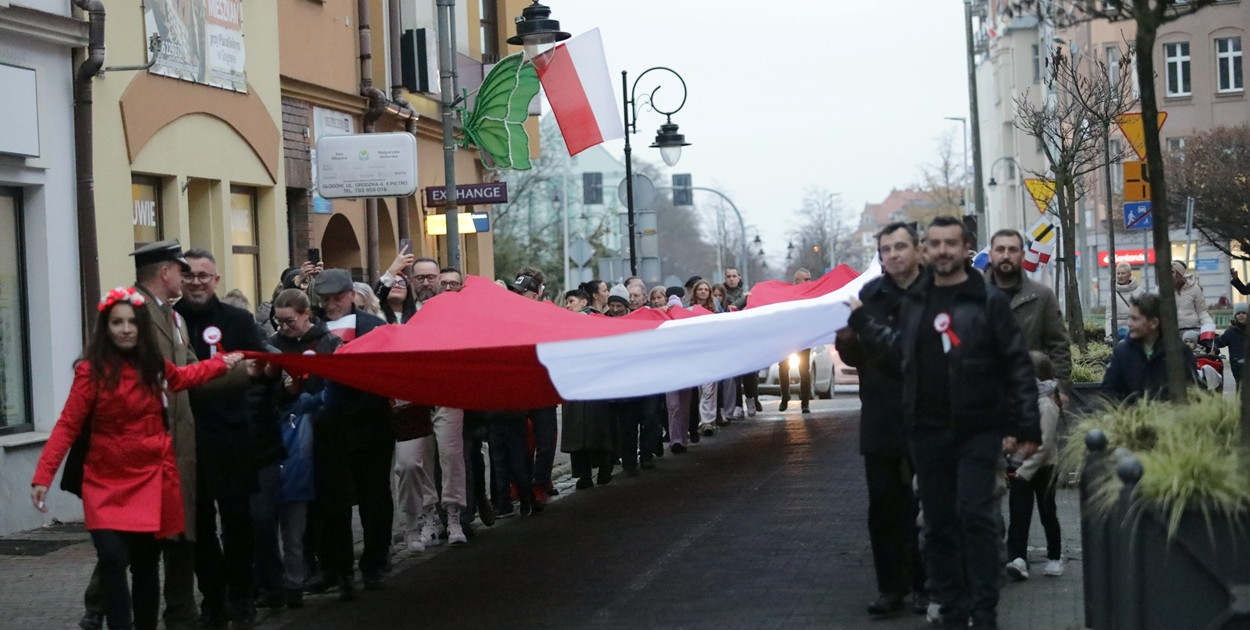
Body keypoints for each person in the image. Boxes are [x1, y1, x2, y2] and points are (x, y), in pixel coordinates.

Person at [848, 216, 1040, 630]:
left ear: (964, 247)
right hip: (927, 430)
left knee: (975, 517)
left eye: (950, 243)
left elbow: (1016, 363)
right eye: (934, 243)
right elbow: (901, 352)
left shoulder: (986, 300)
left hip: (976, 427)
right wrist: (863, 322)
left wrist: (1026, 426)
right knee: (936, 526)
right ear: (926, 249)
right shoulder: (916, 301)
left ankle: (984, 610)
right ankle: (951, 609)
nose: (942, 251)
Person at [32, 287, 239, 630]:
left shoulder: (154, 366)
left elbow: (186, 376)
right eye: (117, 322)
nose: (125, 329)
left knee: (145, 565)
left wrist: (220, 364)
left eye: (132, 322)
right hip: (104, 479)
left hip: (150, 476)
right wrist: (43, 476)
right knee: (112, 558)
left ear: (141, 327)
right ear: (106, 327)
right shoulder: (91, 372)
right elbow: (69, 423)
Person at [835, 222, 927, 618]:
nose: (893, 255)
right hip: (882, 415)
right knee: (884, 506)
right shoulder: (869, 296)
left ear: (917, 250)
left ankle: (927, 583)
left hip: (928, 414)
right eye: (886, 249)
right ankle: (892, 588)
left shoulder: (938, 293)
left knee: (927, 505)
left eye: (900, 246)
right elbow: (859, 358)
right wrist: (848, 341)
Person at [175, 250, 267, 628]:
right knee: (198, 527)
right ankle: (212, 599)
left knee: (238, 522)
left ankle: (241, 596)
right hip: (188, 437)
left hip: (231, 436)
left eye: (203, 275)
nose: (196, 282)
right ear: (179, 279)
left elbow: (260, 367)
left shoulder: (238, 320)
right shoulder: (170, 320)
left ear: (215, 279)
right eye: (189, 275)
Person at [311, 269, 394, 599]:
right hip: (330, 429)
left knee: (375, 499)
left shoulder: (373, 328)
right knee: (333, 504)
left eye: (336, 299)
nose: (331, 305)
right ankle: (339, 569)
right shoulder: (315, 331)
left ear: (350, 295)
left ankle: (374, 562)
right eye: (326, 300)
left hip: (371, 426)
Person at [258, 289, 344, 610]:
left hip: (325, 436)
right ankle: (299, 574)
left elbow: (336, 388)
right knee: (293, 513)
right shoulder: (276, 346)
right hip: (288, 438)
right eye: (278, 322)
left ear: (307, 314)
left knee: (323, 512)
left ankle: (331, 569)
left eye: (289, 321)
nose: (283, 327)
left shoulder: (328, 343)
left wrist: (310, 400)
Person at [1005, 351, 1065, 582]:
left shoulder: (1046, 405)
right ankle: (1017, 557)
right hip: (1019, 466)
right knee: (1018, 514)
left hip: (1041, 468)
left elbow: (1044, 443)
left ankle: (1054, 556)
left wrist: (1023, 470)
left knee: (1047, 511)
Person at [985, 229, 1072, 386]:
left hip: (1032, 390)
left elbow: (1059, 345)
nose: (1006, 256)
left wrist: (1061, 389)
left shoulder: (1042, 296)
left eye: (1012, 250)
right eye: (1000, 249)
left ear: (1023, 255)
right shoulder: (973, 295)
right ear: (991, 255)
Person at [1101, 292, 1199, 402]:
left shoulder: (1180, 352)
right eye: (1129, 318)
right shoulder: (1122, 351)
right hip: (1132, 418)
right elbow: (1109, 391)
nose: (1129, 323)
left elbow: (1193, 391)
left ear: (1153, 323)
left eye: (1135, 319)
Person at [779, 269, 814, 413]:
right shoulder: (787, 294)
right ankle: (785, 396)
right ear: (797, 280)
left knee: (804, 370)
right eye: (806, 279)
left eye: (809, 279)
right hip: (787, 337)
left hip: (804, 337)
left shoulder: (812, 295)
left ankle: (805, 403)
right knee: (783, 367)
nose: (809, 282)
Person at [1172, 260, 1216, 349]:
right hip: (1171, 332)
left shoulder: (1194, 289)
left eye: (1172, 272)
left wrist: (1208, 327)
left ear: (1179, 273)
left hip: (1192, 331)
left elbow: (1202, 312)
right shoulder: (1160, 290)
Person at [1105, 262, 1145, 342]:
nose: (1120, 276)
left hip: (1136, 329)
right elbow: (1109, 316)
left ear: (1130, 274)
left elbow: (1145, 313)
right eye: (1118, 273)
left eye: (1123, 273)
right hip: (1118, 331)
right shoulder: (1112, 294)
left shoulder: (1140, 292)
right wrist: (1109, 334)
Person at [1216, 302, 1247, 387]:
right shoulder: (1231, 332)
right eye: (1238, 313)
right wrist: (1214, 339)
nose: (1241, 315)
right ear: (1235, 316)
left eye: (1244, 313)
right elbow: (1221, 342)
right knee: (1241, 387)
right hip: (1237, 365)